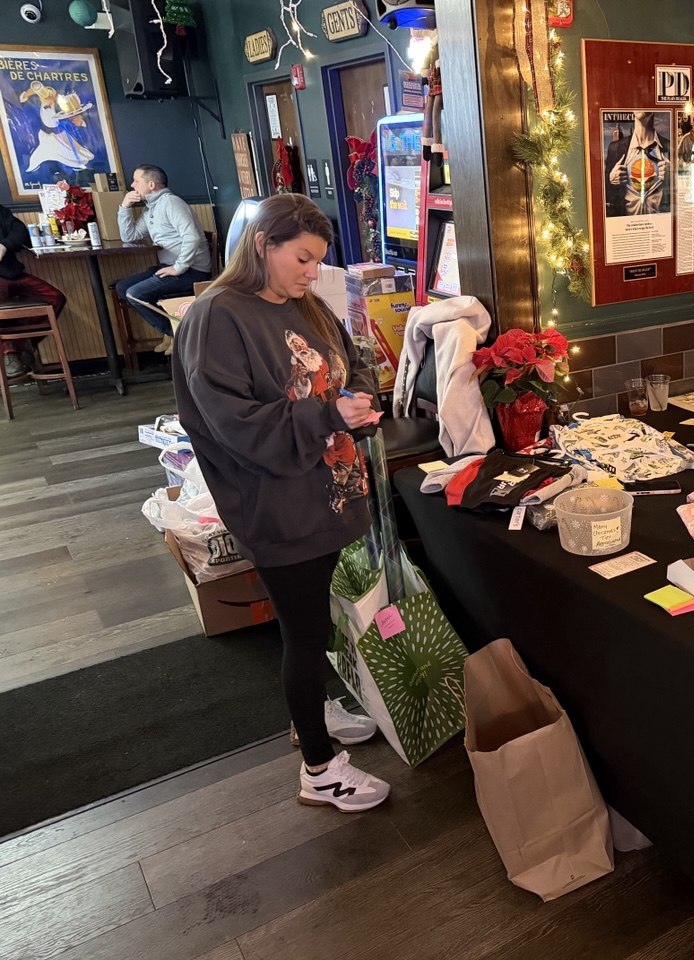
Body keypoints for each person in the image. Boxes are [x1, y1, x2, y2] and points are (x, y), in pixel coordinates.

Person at [172, 193, 390, 813]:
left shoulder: (305, 305)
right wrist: (328, 413)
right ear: (263, 243)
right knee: (303, 629)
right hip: (276, 502)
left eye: (318, 261)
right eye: (301, 258)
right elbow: (234, 425)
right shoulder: (217, 316)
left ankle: (312, 715)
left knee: (314, 620)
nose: (310, 273)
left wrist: (359, 406)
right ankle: (319, 770)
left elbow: (346, 369)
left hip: (324, 490)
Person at [117, 164, 213, 355]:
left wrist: (179, 267)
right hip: (168, 267)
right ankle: (170, 331)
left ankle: (177, 334)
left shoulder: (171, 203)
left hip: (191, 270)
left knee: (135, 293)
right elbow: (130, 236)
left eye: (136, 181)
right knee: (122, 288)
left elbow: (191, 237)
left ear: (151, 184)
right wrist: (124, 207)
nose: (132, 185)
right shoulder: (151, 208)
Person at [0, 203, 67, 380]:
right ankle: (9, 354)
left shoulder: (1, 212)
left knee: (54, 298)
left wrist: (4, 245)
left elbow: (21, 231)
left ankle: (23, 345)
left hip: (11, 274)